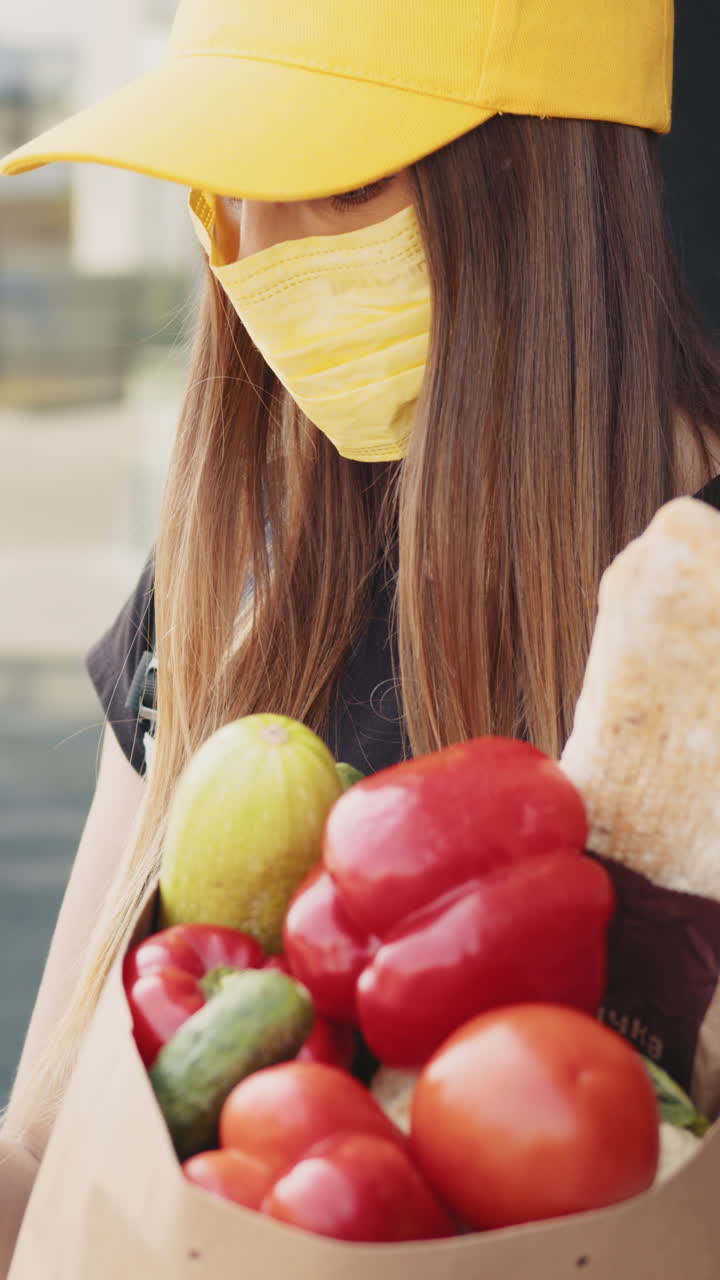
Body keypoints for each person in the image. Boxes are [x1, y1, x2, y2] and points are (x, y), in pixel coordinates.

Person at [1, 0, 720, 1269]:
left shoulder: (697, 635)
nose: (261, 253)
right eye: (229, 181)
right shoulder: (236, 584)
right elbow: (46, 1153)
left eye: (334, 178)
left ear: (538, 177)